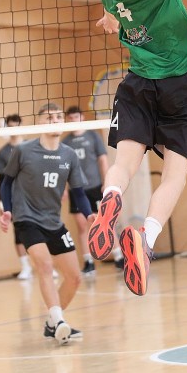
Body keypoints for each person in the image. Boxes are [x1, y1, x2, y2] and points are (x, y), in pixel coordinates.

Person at [67, 0, 187, 296]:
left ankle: (111, 198)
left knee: (123, 165)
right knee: (175, 175)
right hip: (180, 85)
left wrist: (111, 19)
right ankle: (145, 239)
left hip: (138, 84)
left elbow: (114, 11)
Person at [0, 103, 92, 344]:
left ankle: (52, 324)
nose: (55, 121)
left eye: (59, 117)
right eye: (49, 117)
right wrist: (7, 210)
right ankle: (59, 321)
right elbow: (7, 183)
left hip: (54, 221)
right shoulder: (22, 151)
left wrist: (89, 214)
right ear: (39, 122)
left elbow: (78, 192)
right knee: (46, 266)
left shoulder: (69, 155)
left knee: (74, 277)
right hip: (26, 218)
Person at [62, 106, 109, 276]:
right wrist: (63, 189)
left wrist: (106, 182)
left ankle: (118, 256)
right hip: (76, 189)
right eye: (70, 118)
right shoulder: (65, 142)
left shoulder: (93, 136)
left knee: (102, 223)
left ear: (82, 117)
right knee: (82, 226)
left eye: (76, 117)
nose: (73, 120)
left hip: (95, 186)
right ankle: (88, 262)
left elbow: (103, 160)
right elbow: (63, 168)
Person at [0, 113, 34, 280]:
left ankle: (46, 265)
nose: (13, 129)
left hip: (32, 196)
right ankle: (26, 267)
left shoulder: (32, 146)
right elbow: (1, 179)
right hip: (14, 198)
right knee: (19, 233)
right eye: (10, 127)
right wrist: (0, 201)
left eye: (16, 126)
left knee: (41, 229)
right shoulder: (3, 152)